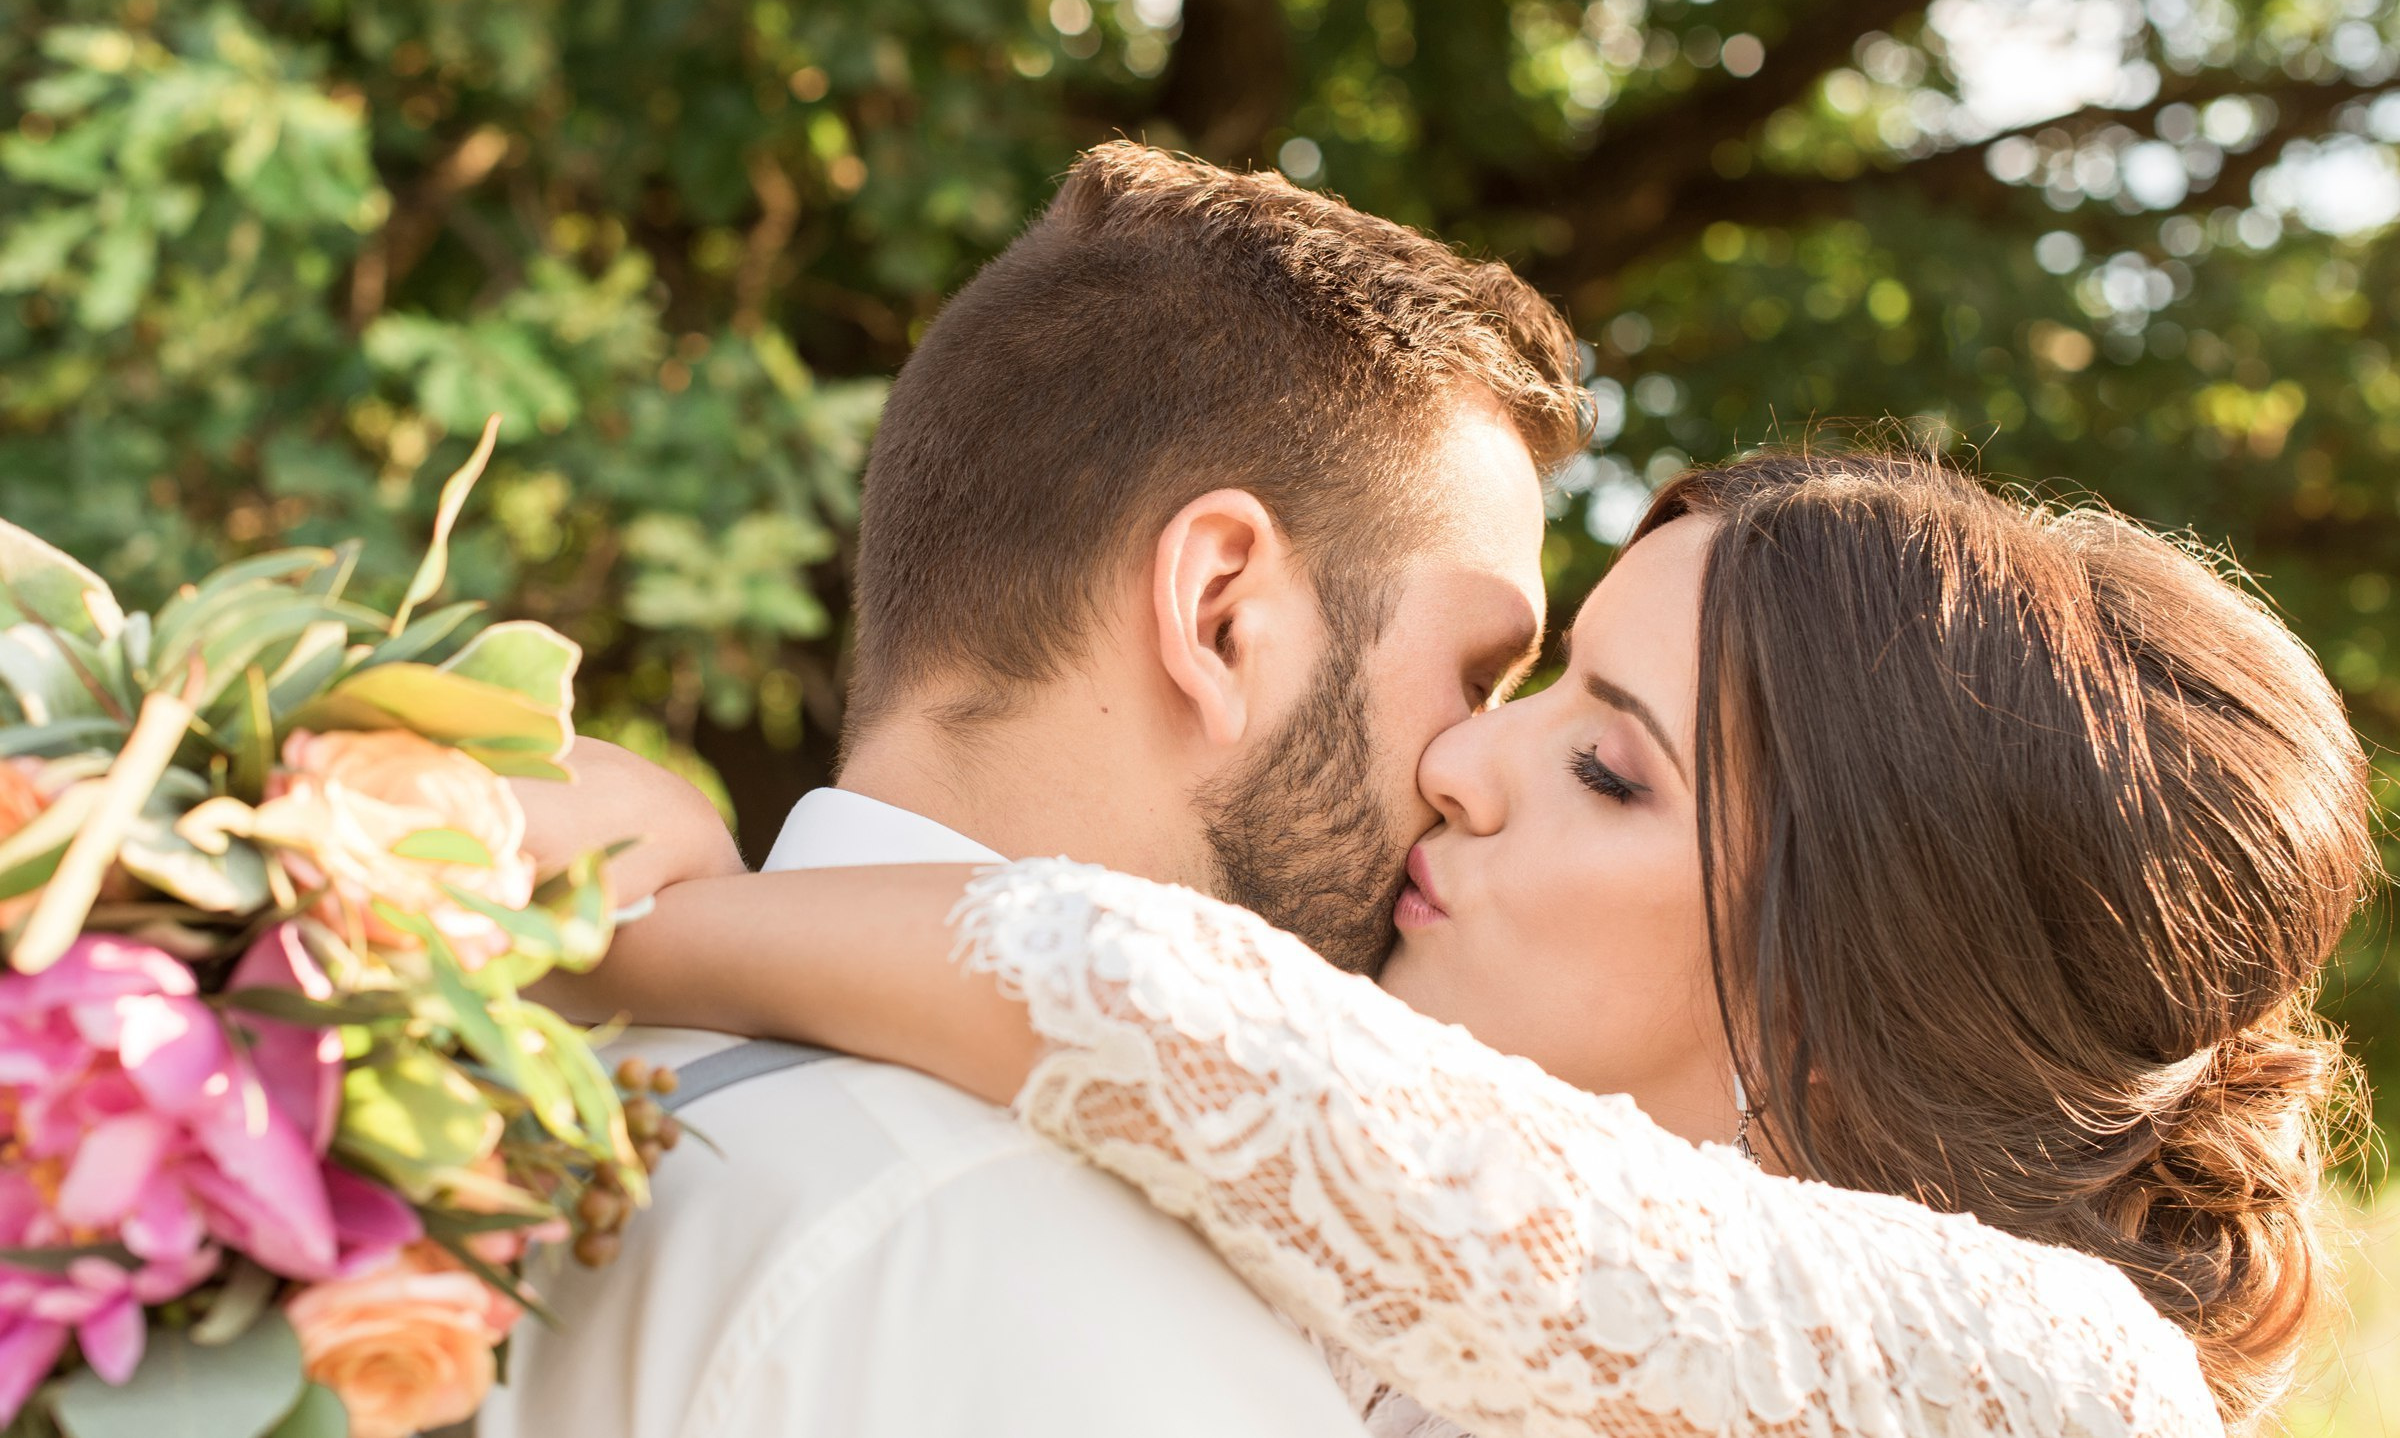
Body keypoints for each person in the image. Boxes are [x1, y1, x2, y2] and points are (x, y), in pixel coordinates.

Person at [535, 450, 2373, 1438]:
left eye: (1606, 766)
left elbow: (1170, 1012)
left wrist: (633, 922)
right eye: (1537, 684)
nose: (1459, 763)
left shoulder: (2058, 1384)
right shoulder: (1381, 1299)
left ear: (1834, 1004)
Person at [482, 141, 1589, 1438]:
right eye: (1478, 677)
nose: (1476, 766)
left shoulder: (470, 1095)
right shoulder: (1075, 1302)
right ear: (1220, 613)